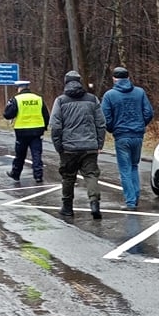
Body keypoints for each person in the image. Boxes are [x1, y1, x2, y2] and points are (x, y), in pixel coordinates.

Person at [49, 70, 106, 218]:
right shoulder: (93, 99)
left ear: (65, 82)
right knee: (91, 175)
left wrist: (58, 146)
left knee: (68, 177)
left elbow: (56, 126)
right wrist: (99, 143)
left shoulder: (60, 101)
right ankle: (94, 203)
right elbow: (101, 123)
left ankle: (67, 208)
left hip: (69, 148)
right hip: (90, 146)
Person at [101, 66, 154, 209]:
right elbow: (148, 112)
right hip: (137, 135)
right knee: (134, 166)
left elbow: (105, 117)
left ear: (114, 78)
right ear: (128, 78)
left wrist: (112, 128)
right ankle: (135, 196)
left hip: (121, 136)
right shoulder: (139, 92)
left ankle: (130, 201)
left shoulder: (109, 95)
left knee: (125, 169)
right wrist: (141, 125)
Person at [3, 79, 50, 183]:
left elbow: (7, 115)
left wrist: (9, 106)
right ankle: (38, 176)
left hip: (22, 131)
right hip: (37, 130)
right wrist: (45, 127)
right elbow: (46, 115)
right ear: (28, 87)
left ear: (19, 88)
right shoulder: (38, 98)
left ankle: (16, 174)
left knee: (20, 154)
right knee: (36, 154)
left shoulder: (16, 99)